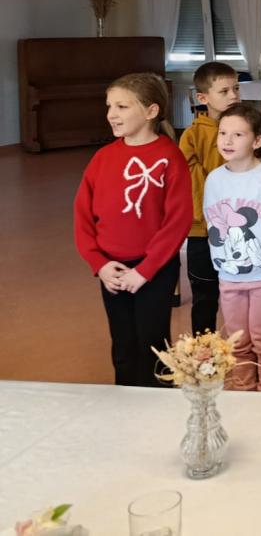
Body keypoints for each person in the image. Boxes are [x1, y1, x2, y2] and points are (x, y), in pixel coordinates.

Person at [74, 73, 192, 387]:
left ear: (151, 111)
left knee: (153, 344)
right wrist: (99, 264)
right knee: (123, 345)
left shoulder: (169, 156)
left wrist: (145, 270)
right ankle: (125, 405)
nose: (111, 114)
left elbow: (178, 221)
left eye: (122, 106)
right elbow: (82, 216)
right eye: (109, 106)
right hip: (112, 269)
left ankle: (157, 408)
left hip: (154, 270)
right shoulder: (103, 158)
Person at [203, 103, 261, 392]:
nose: (227, 140)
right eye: (223, 133)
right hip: (229, 275)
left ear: (258, 141)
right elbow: (213, 224)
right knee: (237, 341)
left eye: (238, 134)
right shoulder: (214, 179)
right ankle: (244, 391)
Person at [178, 61, 240, 335]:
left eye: (236, 89)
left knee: (239, 296)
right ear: (203, 98)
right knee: (205, 297)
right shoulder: (192, 136)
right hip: (202, 230)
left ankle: (242, 353)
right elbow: (192, 183)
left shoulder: (247, 129)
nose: (233, 96)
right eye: (224, 91)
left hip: (240, 229)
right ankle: (204, 353)